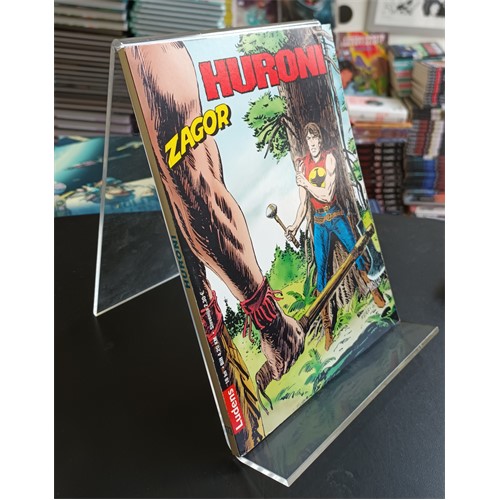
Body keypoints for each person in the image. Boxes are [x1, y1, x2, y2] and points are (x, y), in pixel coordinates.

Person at [125, 42, 306, 449]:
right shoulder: (154, 57)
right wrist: (272, 324)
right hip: (182, 384)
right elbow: (197, 190)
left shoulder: (155, 58)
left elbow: (196, 183)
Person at [286, 122, 385, 350]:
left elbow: (327, 194)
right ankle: (327, 328)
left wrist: (305, 183)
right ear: (306, 142)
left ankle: (375, 292)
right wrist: (294, 226)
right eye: (309, 140)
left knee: (356, 252)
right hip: (319, 223)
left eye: (315, 139)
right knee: (321, 276)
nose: (312, 144)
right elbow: (303, 204)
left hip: (335, 214)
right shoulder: (303, 166)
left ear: (320, 140)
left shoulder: (329, 159)